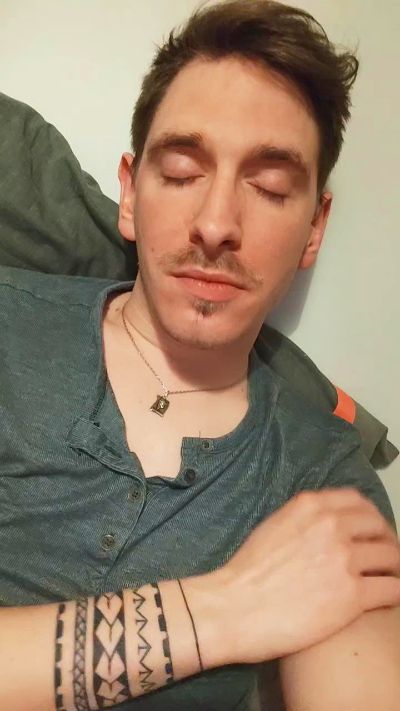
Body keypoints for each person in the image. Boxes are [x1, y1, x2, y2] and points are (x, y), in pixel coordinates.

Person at [1, 1, 400, 710]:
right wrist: (226, 608)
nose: (216, 224)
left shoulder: (324, 482)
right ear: (129, 196)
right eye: (183, 173)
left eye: (270, 188)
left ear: (314, 228)